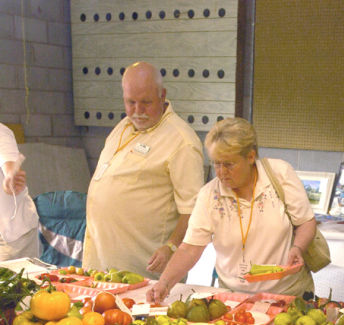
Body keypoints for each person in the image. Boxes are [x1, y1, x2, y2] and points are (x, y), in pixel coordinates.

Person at [146, 117, 317, 302]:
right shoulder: (209, 195)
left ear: (250, 157)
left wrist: (298, 247)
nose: (221, 172)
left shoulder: (279, 174)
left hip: (288, 293)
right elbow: (189, 249)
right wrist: (164, 283)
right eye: (216, 163)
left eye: (228, 164)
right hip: (234, 299)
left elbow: (306, 221)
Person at [83, 61, 205, 280]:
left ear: (162, 95)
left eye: (146, 102)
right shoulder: (123, 126)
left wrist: (172, 247)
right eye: (131, 102)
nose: (138, 111)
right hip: (100, 263)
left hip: (142, 270)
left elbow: (194, 210)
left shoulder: (182, 141)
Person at [0, 123, 40, 261]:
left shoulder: (2, 133)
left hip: (12, 235)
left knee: (13, 282)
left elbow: (9, 165)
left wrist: (11, 178)